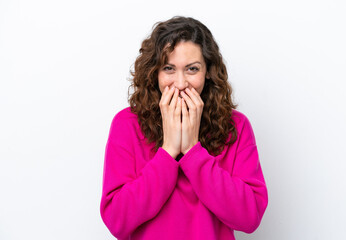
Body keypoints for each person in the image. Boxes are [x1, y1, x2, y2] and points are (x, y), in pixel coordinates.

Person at [100, 16, 268, 240]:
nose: (180, 84)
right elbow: (117, 221)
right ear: (155, 72)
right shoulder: (126, 124)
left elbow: (249, 217)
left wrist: (192, 151)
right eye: (169, 68)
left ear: (208, 71)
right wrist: (168, 151)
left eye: (192, 69)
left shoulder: (236, 126)